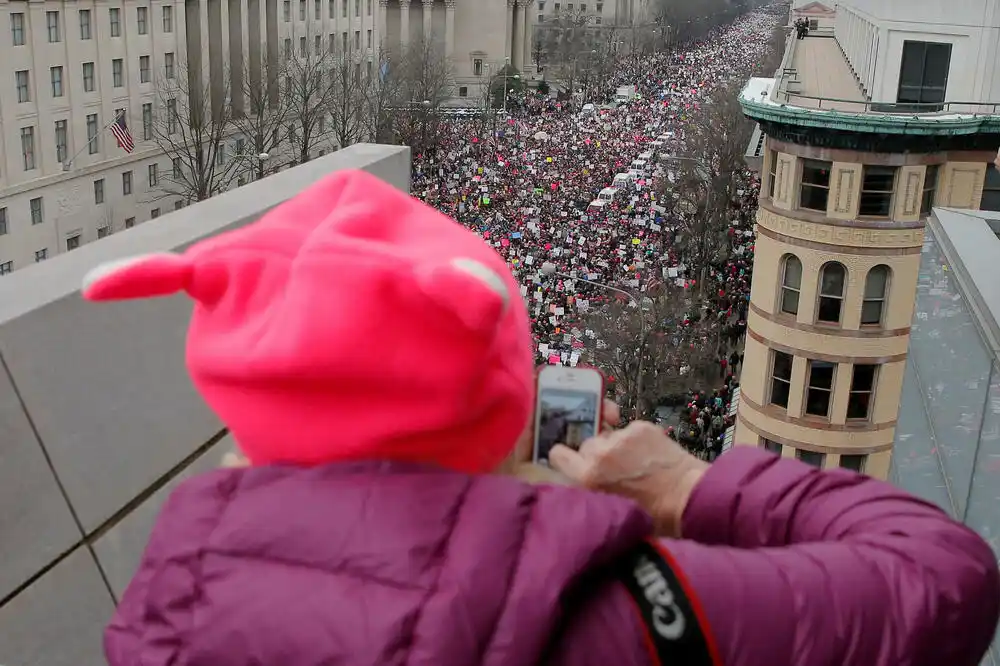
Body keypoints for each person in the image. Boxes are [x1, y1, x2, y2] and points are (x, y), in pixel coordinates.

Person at [85, 170, 999, 666]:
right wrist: (685, 488)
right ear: (506, 399)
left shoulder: (153, 624)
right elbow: (944, 579)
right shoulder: (624, 612)